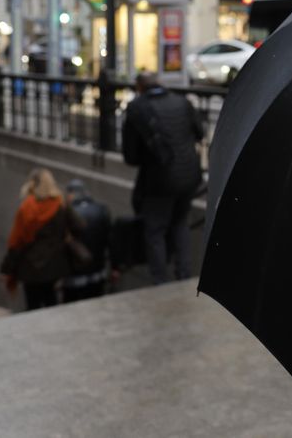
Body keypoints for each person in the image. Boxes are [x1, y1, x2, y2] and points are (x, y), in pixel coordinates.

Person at [122, 72, 204, 284]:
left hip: (159, 180)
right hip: (189, 176)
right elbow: (199, 132)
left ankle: (160, 280)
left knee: (155, 230)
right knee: (180, 223)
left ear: (139, 86)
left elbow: (130, 155)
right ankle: (184, 274)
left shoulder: (137, 108)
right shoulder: (181, 102)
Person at [0, 168, 71, 310]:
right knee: (52, 301)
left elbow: (17, 242)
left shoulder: (27, 208)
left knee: (33, 305)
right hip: (53, 266)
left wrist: (6, 269)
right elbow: (77, 226)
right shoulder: (59, 204)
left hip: (30, 268)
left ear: (32, 184)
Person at [61, 179, 111, 302]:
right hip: (98, 273)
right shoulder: (101, 210)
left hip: (74, 277)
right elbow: (109, 240)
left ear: (70, 194)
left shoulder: (67, 213)